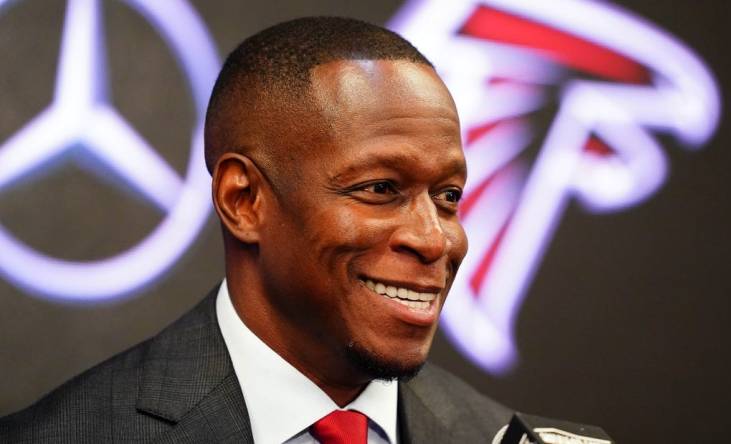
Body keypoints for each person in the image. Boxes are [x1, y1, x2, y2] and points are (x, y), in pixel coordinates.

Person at [0, 17, 606, 444]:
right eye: (380, 190)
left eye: (447, 198)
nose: (436, 239)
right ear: (245, 201)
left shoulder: (503, 438)